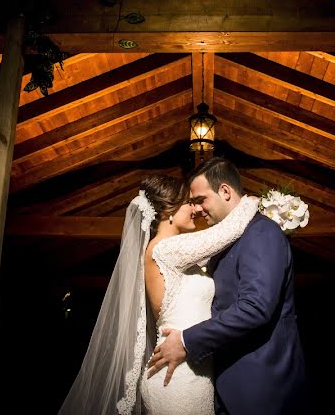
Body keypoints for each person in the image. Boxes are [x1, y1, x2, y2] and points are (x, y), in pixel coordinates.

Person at [57, 173, 259, 415]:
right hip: (177, 375)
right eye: (189, 202)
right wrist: (253, 202)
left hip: (193, 369)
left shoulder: (178, 252)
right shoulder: (164, 249)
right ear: (168, 212)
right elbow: (226, 233)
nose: (195, 208)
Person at [146, 158, 308, 414]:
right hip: (217, 383)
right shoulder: (221, 243)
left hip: (261, 389)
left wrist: (187, 341)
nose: (197, 209)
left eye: (200, 199)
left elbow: (255, 307)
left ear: (225, 191)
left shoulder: (262, 233)